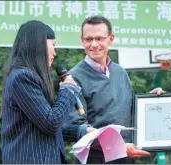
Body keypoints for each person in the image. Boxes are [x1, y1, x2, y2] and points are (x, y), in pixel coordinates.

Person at [62, 15, 164, 164]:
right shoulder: (73, 79)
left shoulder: (120, 72)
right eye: (89, 39)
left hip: (126, 159)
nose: (94, 44)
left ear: (110, 39)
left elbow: (130, 111)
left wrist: (151, 102)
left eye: (100, 38)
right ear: (82, 41)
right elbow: (78, 128)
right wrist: (120, 147)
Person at [1, 20, 81, 164]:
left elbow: (45, 127)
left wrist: (81, 131)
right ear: (39, 45)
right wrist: (68, 89)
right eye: (53, 45)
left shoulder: (28, 77)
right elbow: (51, 123)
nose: (55, 53)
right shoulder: (22, 77)